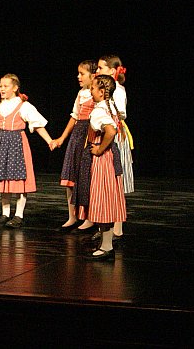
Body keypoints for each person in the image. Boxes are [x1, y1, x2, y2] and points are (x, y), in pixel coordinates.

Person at [0, 74, 53, 229]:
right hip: (1, 142)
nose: (2, 89)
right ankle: (5, 213)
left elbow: (37, 124)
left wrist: (49, 141)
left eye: (6, 86)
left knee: (19, 179)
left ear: (15, 88)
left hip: (17, 143)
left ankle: (19, 215)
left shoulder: (23, 105)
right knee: (4, 178)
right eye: (0, 86)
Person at [80, 74, 126, 260]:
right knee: (105, 201)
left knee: (101, 200)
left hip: (102, 160)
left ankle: (106, 247)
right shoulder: (110, 107)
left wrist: (99, 149)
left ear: (101, 91)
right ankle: (106, 245)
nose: (90, 91)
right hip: (110, 158)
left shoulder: (100, 110)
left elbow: (111, 130)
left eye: (93, 88)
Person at [49, 60, 98, 231]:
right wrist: (62, 138)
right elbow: (75, 116)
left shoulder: (97, 95)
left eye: (82, 73)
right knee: (71, 176)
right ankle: (72, 216)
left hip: (90, 134)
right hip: (77, 135)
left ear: (93, 75)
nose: (78, 77)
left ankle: (89, 217)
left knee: (86, 178)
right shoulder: (81, 94)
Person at [96, 55, 132, 242]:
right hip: (108, 134)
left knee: (117, 181)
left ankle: (117, 228)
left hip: (115, 135)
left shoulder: (117, 90)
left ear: (112, 71)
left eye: (101, 68)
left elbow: (121, 113)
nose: (97, 71)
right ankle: (106, 225)